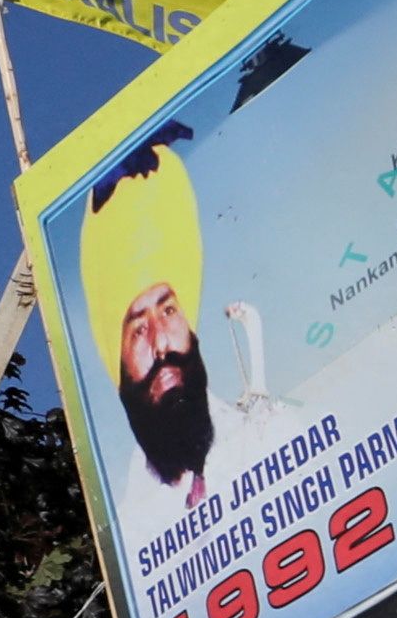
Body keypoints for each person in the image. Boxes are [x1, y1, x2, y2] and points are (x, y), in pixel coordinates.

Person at [75, 129, 298, 546]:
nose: (162, 345)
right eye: (138, 328)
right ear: (114, 359)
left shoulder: (274, 436)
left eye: (169, 310)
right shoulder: (130, 538)